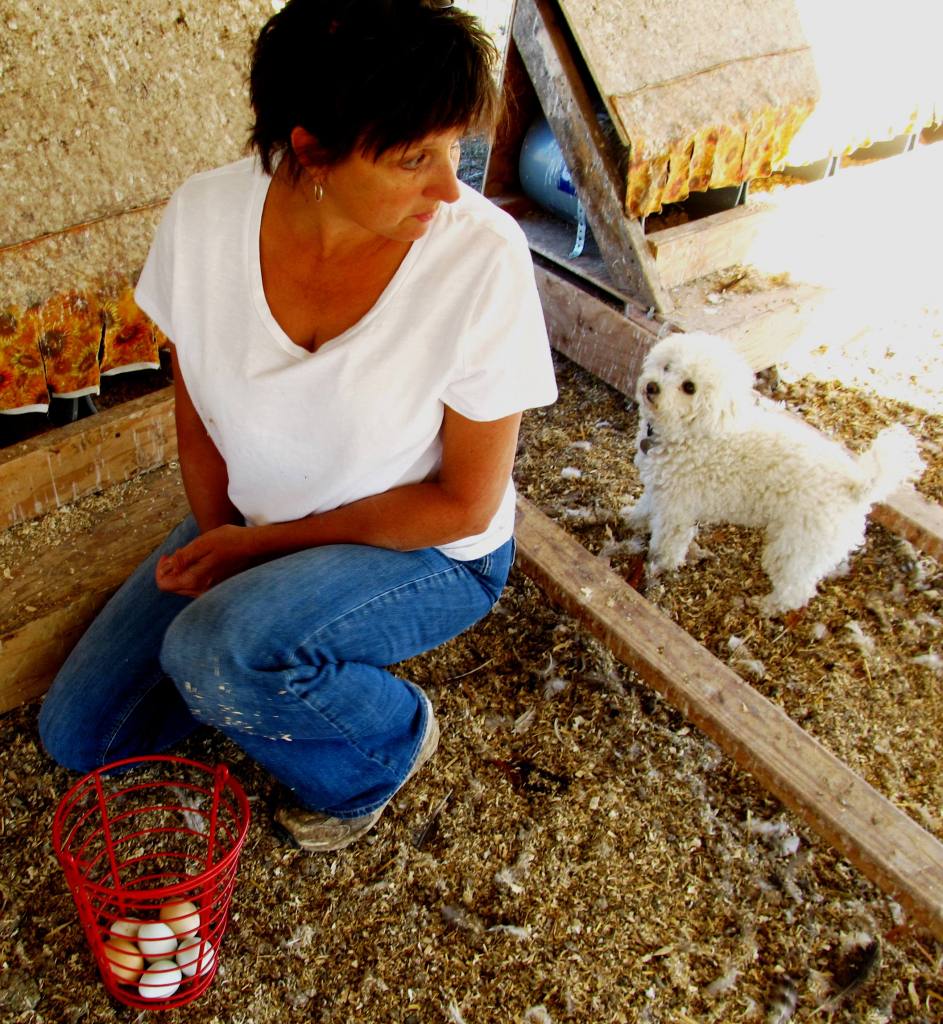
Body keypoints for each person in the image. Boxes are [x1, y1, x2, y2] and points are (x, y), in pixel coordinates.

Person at [38, 0, 557, 852]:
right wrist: (221, 537)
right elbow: (197, 398)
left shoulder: (479, 255)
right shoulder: (204, 218)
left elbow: (464, 504)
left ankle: (383, 746)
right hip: (262, 524)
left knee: (217, 650)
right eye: (410, 159)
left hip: (421, 549)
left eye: (454, 148)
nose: (448, 186)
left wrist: (251, 564)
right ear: (310, 149)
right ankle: (264, 665)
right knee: (83, 740)